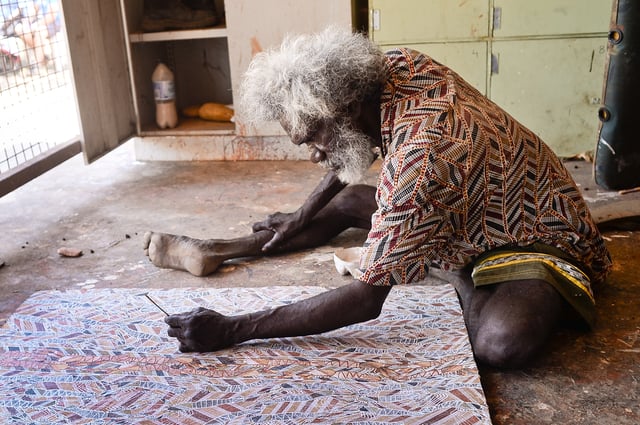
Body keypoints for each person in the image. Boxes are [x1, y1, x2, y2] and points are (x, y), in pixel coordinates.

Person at [145, 27, 612, 368]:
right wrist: (301, 215)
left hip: (537, 230)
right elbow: (350, 150)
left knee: (501, 344)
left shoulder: (421, 166)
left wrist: (234, 328)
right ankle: (218, 249)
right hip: (468, 196)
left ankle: (454, 269)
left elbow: (364, 301)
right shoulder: (392, 68)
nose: (313, 156)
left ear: (346, 108)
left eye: (313, 138)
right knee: (350, 202)